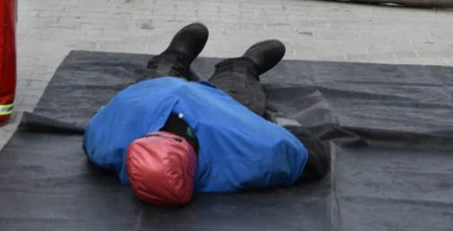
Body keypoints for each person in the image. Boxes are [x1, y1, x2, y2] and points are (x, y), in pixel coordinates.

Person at [83, 23, 331, 206]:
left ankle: (173, 56)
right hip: (220, 108)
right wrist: (275, 121)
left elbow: (97, 125)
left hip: (154, 96)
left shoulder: (109, 144)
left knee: (160, 74)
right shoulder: (245, 154)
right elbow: (313, 158)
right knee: (238, 86)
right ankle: (244, 64)